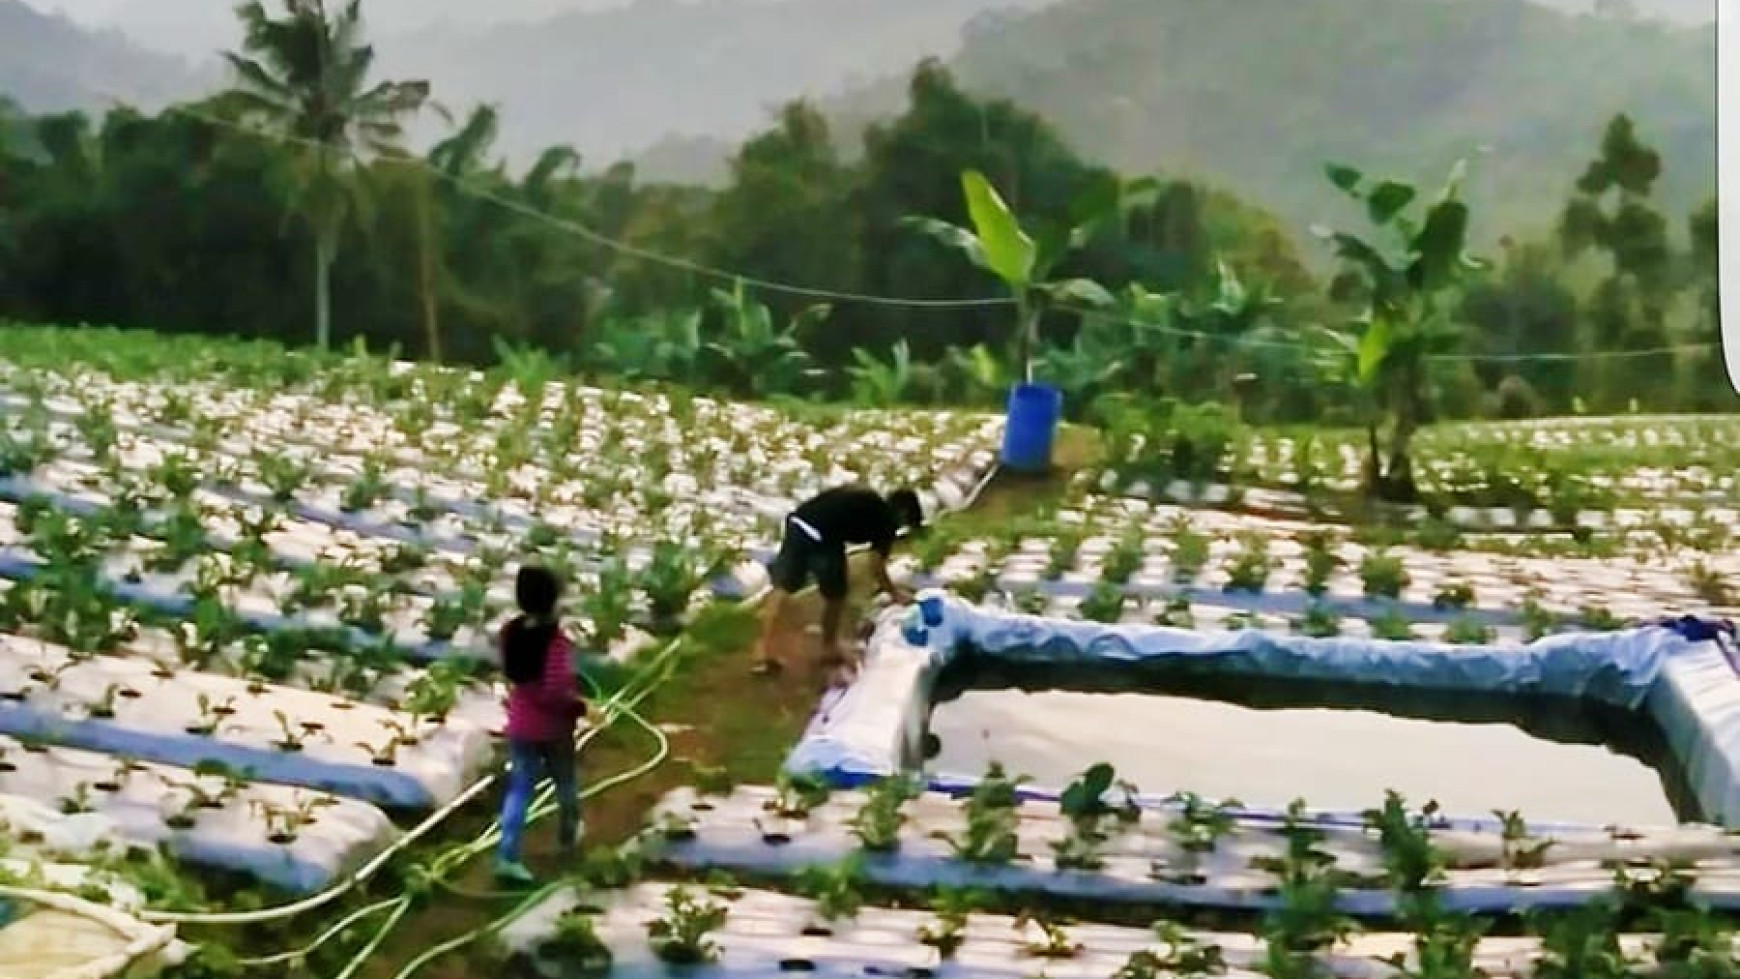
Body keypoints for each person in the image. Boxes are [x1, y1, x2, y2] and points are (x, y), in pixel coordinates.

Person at [753, 485, 925, 676]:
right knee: (836, 593)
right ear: (903, 512)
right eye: (905, 522)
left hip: (798, 522)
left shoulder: (866, 496)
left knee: (783, 587)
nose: (900, 526)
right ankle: (829, 647)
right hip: (824, 535)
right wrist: (895, 594)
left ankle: (765, 653)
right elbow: (875, 565)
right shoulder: (886, 521)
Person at [493, 565, 585, 885]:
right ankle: (568, 836)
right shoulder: (556, 643)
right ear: (553, 601)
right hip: (554, 730)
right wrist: (578, 706)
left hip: (520, 726)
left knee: (519, 789)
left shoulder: (509, 632)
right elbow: (555, 692)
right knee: (565, 782)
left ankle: (506, 855)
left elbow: (516, 678)